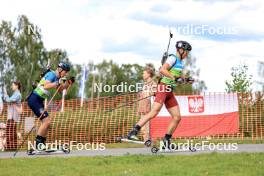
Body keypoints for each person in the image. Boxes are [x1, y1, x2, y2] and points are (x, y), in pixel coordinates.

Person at [127, 41, 193, 148]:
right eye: (186, 52)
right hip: (163, 88)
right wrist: (174, 78)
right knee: (154, 112)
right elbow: (163, 70)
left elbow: (176, 79)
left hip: (169, 91)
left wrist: (186, 80)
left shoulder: (180, 63)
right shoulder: (173, 58)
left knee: (177, 117)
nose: (187, 54)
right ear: (181, 50)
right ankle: (134, 130)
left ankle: (166, 140)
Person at [27, 62, 74, 150]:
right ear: (60, 70)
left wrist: (68, 83)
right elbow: (46, 86)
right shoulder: (51, 74)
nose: (66, 74)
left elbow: (60, 90)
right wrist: (57, 83)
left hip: (39, 100)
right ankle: (38, 145)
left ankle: (42, 144)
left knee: (47, 123)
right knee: (46, 122)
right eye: (65, 71)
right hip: (34, 99)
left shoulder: (59, 78)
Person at [137, 67, 156, 142]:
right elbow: (142, 95)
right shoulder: (145, 84)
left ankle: (147, 140)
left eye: (144, 73)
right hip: (142, 107)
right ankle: (146, 140)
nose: (143, 75)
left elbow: (154, 92)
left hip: (148, 107)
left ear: (149, 74)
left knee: (147, 125)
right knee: (143, 127)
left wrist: (147, 92)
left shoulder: (153, 83)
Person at [3, 81, 22, 150]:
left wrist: (5, 94)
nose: (12, 86)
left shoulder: (17, 94)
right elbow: (9, 101)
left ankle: (11, 148)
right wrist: (6, 95)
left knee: (10, 132)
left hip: (13, 117)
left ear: (17, 86)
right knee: (11, 132)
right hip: (11, 116)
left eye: (13, 85)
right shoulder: (15, 94)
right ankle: (11, 148)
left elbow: (9, 101)